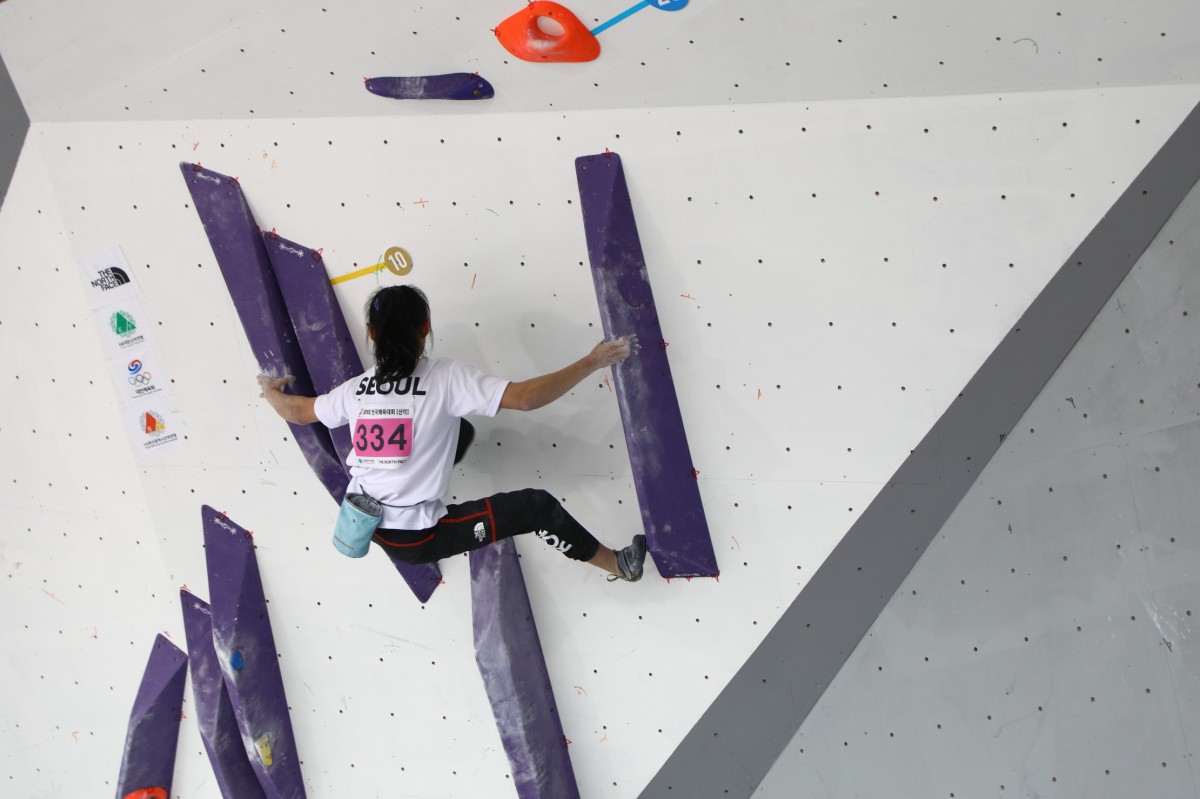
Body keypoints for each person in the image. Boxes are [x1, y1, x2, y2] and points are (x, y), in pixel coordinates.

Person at [257, 284, 648, 581]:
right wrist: (592, 361)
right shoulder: (443, 377)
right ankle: (620, 565)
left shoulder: (359, 388)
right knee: (536, 508)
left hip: (368, 523)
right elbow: (526, 398)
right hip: (419, 537)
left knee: (458, 429)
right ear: (425, 328)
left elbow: (298, 412)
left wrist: (270, 392)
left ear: (372, 334)